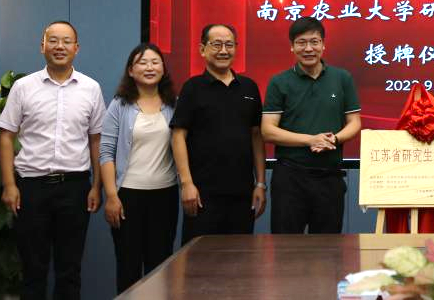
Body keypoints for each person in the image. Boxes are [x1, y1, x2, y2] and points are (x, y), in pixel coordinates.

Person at [0, 20, 106, 300]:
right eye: (53, 40)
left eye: (66, 41)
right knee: (33, 271)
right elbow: (6, 136)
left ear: (76, 48)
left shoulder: (91, 88)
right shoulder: (23, 87)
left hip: (75, 188)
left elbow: (96, 140)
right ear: (42, 46)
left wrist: (97, 186)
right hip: (31, 189)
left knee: (69, 271)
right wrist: (9, 185)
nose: (60, 46)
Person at [262, 16, 362, 234]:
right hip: (290, 178)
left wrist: (334, 139)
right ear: (292, 46)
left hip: (330, 177)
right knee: (286, 247)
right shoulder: (279, 82)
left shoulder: (342, 78)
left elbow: (354, 123)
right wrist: (311, 140)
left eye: (314, 42)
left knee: (328, 248)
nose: (308, 48)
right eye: (301, 42)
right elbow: (268, 131)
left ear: (323, 45)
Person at [169, 23, 266, 244]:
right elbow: (178, 137)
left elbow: (256, 136)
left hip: (242, 193)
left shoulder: (249, 87)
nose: (224, 50)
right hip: (202, 194)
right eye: (217, 44)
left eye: (229, 45)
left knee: (240, 256)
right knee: (198, 257)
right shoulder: (192, 88)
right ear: (202, 49)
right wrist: (187, 184)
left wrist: (260, 183)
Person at [99, 43, 179, 293]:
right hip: (127, 197)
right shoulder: (119, 105)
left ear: (163, 69)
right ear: (131, 70)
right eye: (142, 62)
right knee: (128, 267)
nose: (149, 67)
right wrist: (111, 196)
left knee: (161, 267)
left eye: (155, 62)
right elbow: (106, 152)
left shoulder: (174, 105)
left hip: (165, 195)